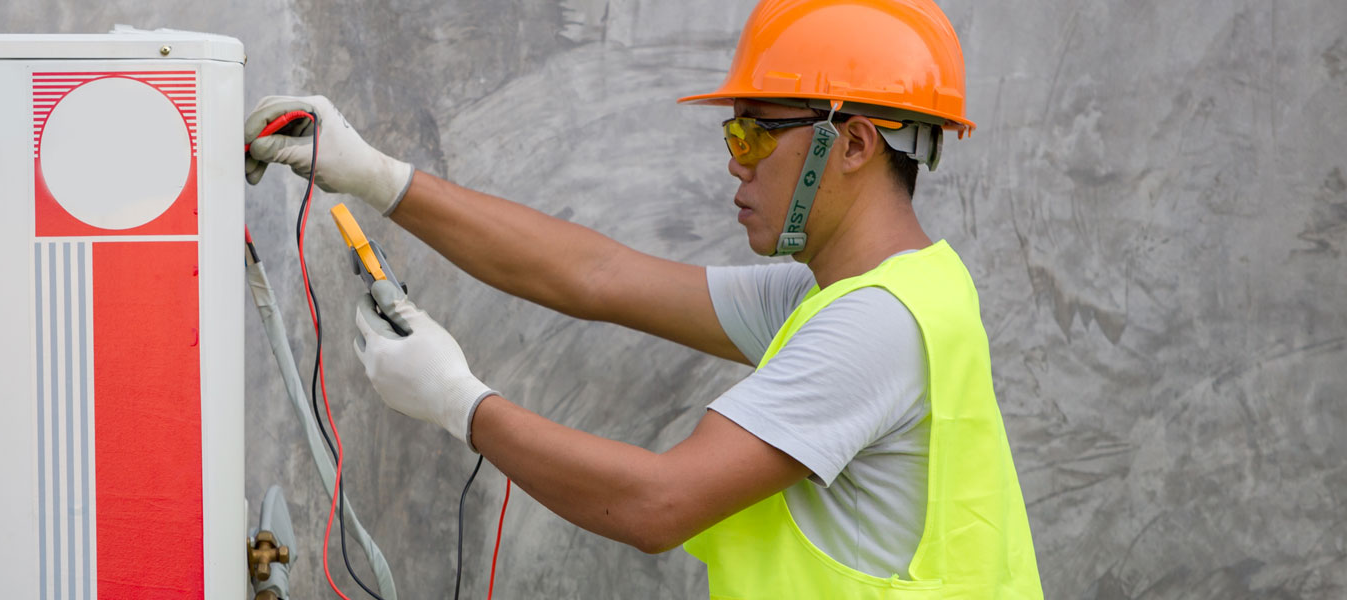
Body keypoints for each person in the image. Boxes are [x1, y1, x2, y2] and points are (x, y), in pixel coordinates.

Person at [243, 0, 1042, 596]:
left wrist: (462, 406)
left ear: (856, 142)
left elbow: (658, 505)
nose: (735, 159)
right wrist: (377, 175)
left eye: (755, 132)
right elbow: (596, 275)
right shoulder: (876, 290)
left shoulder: (872, 326)